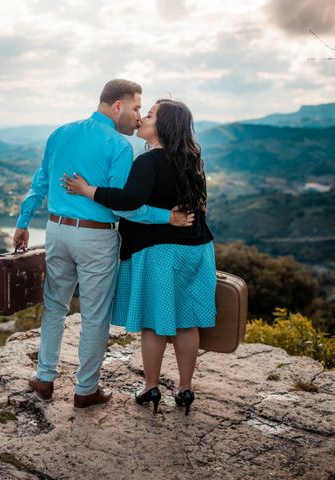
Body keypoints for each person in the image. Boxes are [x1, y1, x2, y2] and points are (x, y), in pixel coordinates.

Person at [13, 80, 193, 409]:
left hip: (56, 230)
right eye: (137, 107)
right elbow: (124, 205)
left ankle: (44, 378)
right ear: (118, 107)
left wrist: (24, 223)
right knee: (95, 315)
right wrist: (167, 217)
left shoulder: (60, 133)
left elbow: (40, 180)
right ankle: (85, 390)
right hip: (96, 236)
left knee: (54, 306)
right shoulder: (119, 146)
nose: (139, 116)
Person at [62, 98, 215, 415]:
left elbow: (128, 201)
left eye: (151, 114)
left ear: (164, 126)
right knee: (187, 322)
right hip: (197, 249)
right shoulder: (191, 161)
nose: (143, 118)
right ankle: (185, 390)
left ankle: (151, 387)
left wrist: (87, 190)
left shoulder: (149, 162)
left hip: (158, 251)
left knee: (154, 323)